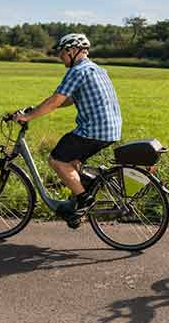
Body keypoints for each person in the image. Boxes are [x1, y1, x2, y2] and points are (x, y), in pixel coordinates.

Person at [15, 33, 122, 223]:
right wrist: (35, 109)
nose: (60, 57)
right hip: (110, 129)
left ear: (72, 51)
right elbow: (69, 99)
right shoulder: (96, 69)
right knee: (71, 159)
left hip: (94, 130)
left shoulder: (78, 71)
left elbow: (56, 100)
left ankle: (84, 199)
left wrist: (28, 116)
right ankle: (78, 201)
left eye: (62, 52)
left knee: (57, 160)